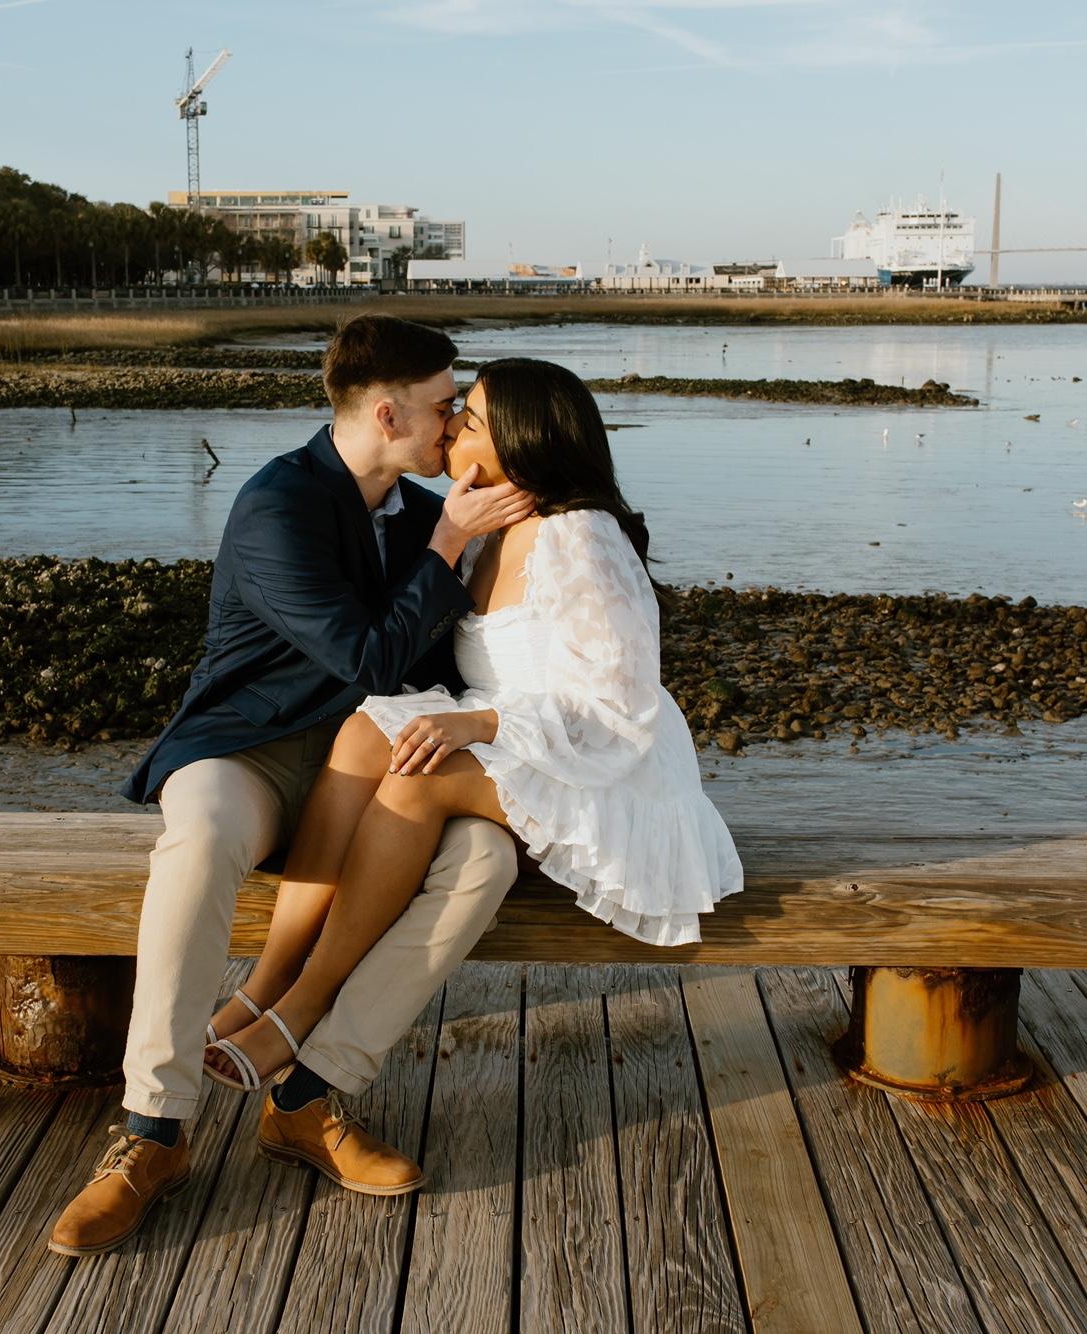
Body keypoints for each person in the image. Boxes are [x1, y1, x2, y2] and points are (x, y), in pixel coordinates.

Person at [48, 315, 534, 1258]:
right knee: (200, 835)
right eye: (445, 406)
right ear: (388, 413)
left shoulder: (425, 511)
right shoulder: (280, 504)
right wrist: (446, 546)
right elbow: (369, 655)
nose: (456, 425)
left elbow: (461, 659)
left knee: (485, 858)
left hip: (379, 758)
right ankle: (153, 1129)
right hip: (253, 748)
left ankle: (311, 1094)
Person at [202, 357, 745, 1093]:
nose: (453, 425)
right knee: (365, 734)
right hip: (512, 741)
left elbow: (620, 704)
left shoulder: (581, 537)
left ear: (520, 442)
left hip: (601, 770)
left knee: (418, 779)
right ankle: (267, 981)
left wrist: (479, 725)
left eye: (473, 418)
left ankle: (302, 1008)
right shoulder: (487, 528)